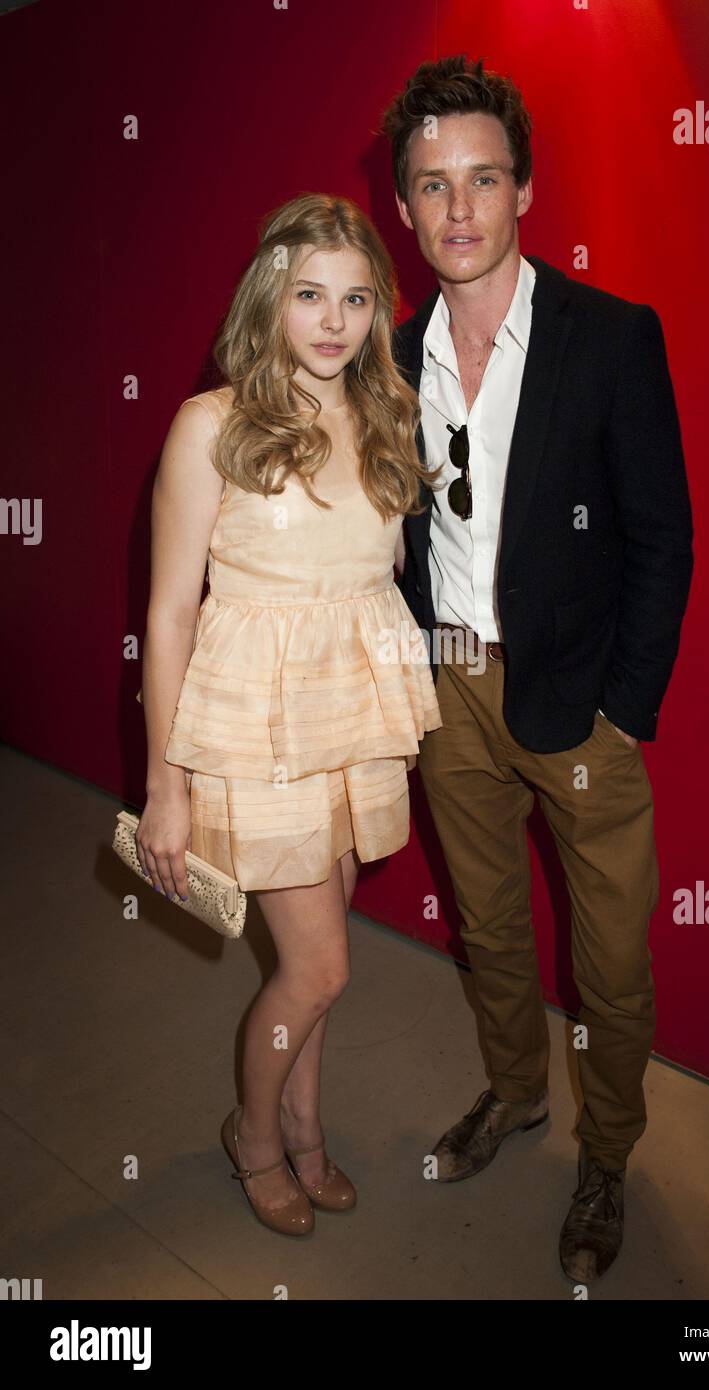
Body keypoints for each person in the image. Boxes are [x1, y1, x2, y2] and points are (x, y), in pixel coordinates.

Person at [382, 55, 694, 1282]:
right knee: (492, 929)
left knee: (610, 958)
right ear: (404, 208)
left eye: (482, 180)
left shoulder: (611, 337)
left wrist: (624, 707)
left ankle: (607, 1153)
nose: (458, 209)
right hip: (448, 696)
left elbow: (663, 535)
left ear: (523, 192)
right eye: (431, 186)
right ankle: (515, 1095)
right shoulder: (385, 360)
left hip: (577, 705)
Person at [136, 193, 444, 1236]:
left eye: (356, 299)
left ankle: (307, 1133)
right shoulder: (211, 424)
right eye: (309, 293)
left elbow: (372, 578)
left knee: (314, 970)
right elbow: (171, 614)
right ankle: (255, 1137)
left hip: (348, 726)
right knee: (319, 965)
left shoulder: (386, 417)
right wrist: (164, 788)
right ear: (270, 295)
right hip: (253, 735)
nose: (333, 320)